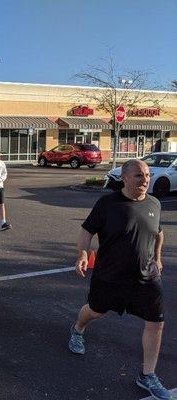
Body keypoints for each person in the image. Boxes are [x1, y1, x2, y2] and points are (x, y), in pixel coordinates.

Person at [68, 159, 171, 400]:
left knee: (156, 322)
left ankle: (147, 375)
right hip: (110, 275)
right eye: (138, 175)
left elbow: (159, 233)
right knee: (95, 311)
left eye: (146, 175)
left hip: (147, 277)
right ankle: (78, 328)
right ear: (124, 178)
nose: (144, 180)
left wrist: (157, 259)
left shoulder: (154, 203)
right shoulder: (108, 203)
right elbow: (86, 231)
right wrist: (83, 254)